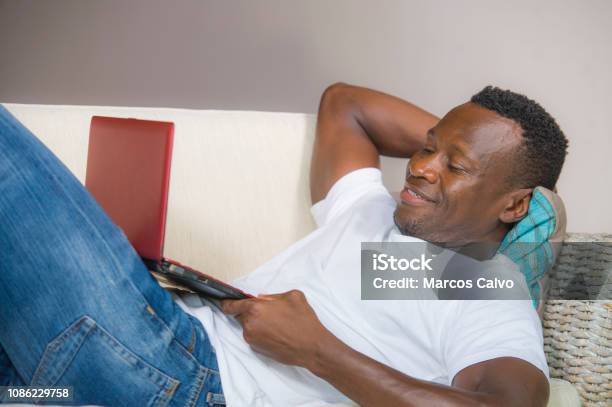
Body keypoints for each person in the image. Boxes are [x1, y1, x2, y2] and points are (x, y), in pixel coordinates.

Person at [0, 83, 568, 406]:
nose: (419, 169)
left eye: (454, 165)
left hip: (184, 382)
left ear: (514, 205)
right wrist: (464, 150)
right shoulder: (371, 211)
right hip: (93, 372)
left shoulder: (483, 287)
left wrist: (317, 350)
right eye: (425, 148)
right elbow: (345, 104)